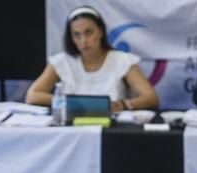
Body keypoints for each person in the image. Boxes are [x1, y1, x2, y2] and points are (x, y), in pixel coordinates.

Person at [25, 6, 158, 113]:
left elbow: (151, 98)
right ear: (71, 38)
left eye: (88, 32)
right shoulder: (61, 61)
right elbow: (32, 96)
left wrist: (123, 105)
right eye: (76, 34)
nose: (83, 40)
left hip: (110, 128)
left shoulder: (123, 60)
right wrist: (68, 103)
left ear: (100, 31)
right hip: (70, 128)